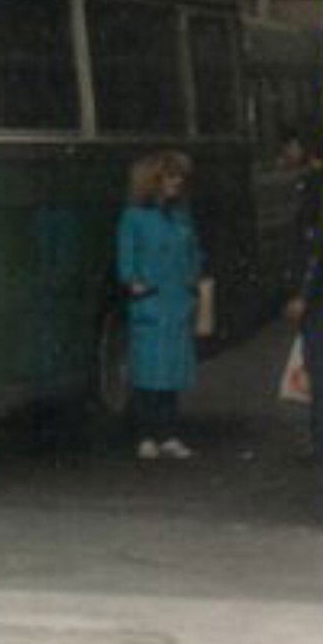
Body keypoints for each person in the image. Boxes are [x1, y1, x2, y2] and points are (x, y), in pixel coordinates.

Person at [116, 149, 204, 460]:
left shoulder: (182, 215)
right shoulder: (135, 217)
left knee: (171, 374)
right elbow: (126, 258)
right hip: (152, 301)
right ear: (154, 181)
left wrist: (193, 280)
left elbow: (194, 252)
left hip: (176, 301)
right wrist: (135, 282)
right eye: (170, 177)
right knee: (148, 374)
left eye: (179, 177)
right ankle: (146, 434)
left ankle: (168, 433)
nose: (176, 183)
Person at [283, 128, 323, 463]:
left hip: (318, 297)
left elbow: (316, 247)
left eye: (288, 143)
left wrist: (301, 293)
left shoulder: (317, 187)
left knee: (321, 368)